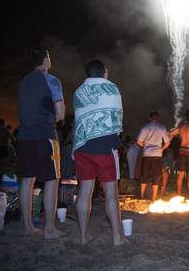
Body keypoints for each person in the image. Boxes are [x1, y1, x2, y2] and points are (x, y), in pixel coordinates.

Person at [73, 59, 126, 246]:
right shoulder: (111, 88)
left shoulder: (79, 91)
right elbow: (116, 119)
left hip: (81, 147)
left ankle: (82, 236)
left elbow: (80, 118)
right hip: (103, 147)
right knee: (111, 193)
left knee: (85, 191)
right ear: (103, 72)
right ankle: (117, 237)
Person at [17, 47, 65, 239]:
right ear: (45, 59)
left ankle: (28, 226)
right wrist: (56, 116)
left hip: (24, 135)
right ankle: (50, 229)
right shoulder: (52, 80)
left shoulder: (23, 82)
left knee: (27, 180)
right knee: (52, 179)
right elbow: (60, 114)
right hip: (45, 133)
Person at [136, 111, 171, 201]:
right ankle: (154, 198)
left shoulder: (145, 127)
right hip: (157, 155)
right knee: (156, 176)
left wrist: (146, 147)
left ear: (149, 118)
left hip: (147, 154)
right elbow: (167, 142)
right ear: (158, 118)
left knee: (144, 176)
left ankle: (142, 196)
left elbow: (139, 141)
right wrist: (162, 149)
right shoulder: (162, 127)